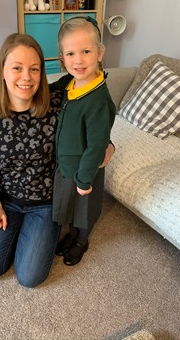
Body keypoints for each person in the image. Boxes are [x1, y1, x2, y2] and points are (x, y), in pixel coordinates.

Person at [0, 32, 114, 288]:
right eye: (17, 68)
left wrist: (109, 147)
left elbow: (90, 127)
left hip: (46, 204)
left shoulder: (57, 104)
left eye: (34, 69)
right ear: (3, 71)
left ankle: (36, 233)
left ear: (42, 72)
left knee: (30, 277)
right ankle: (20, 232)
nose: (26, 77)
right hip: (8, 201)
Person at [49, 16, 116, 266]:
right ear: (62, 59)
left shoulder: (98, 100)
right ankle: (71, 234)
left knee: (84, 209)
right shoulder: (70, 82)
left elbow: (97, 145)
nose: (78, 60)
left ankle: (81, 240)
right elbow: (55, 88)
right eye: (71, 54)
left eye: (86, 51)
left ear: (99, 53)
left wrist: (85, 179)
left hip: (85, 171)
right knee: (68, 205)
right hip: (66, 165)